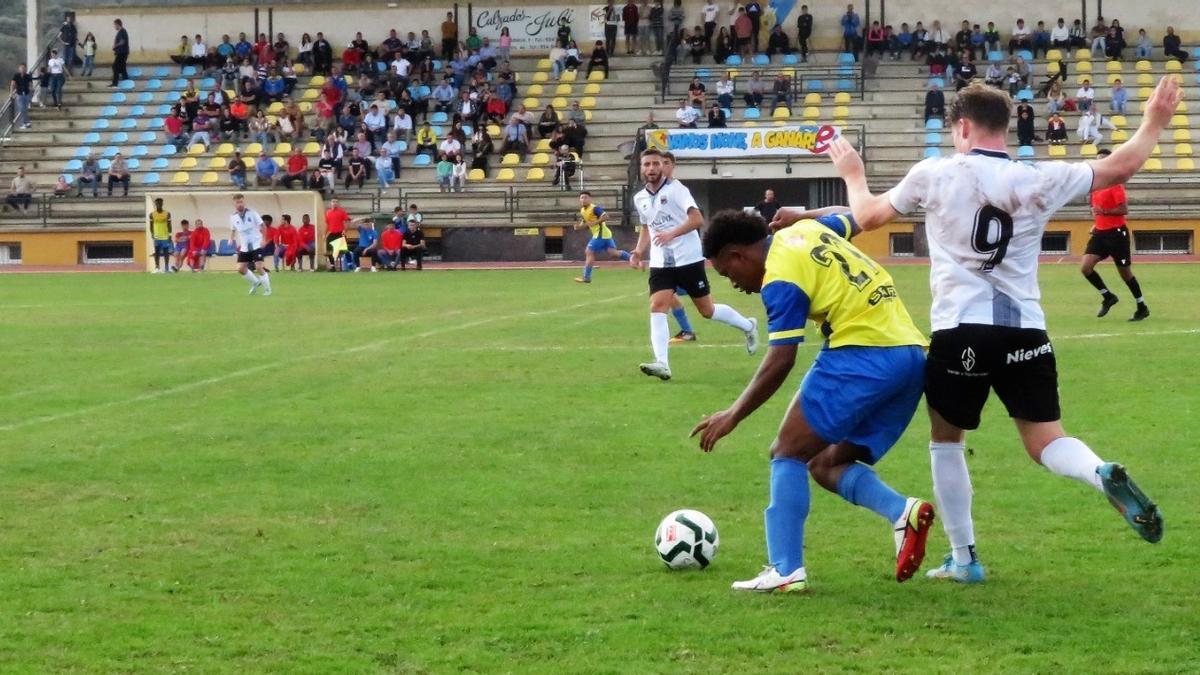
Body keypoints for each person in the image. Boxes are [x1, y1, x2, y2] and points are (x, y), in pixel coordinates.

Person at [824, 80, 1179, 582]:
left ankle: (964, 559)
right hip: (1025, 331)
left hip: (960, 330)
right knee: (1046, 441)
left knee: (946, 440)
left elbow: (866, 216)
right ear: (1004, 125)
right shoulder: (1039, 176)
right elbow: (1121, 166)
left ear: (963, 127)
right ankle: (1098, 472)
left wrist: (853, 174)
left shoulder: (936, 172)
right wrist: (1155, 122)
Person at [692, 207, 934, 593]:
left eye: (727, 273)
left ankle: (786, 569)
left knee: (787, 451)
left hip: (862, 353)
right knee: (824, 462)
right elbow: (859, 215)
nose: (733, 283)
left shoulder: (779, 278)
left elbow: (781, 358)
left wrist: (733, 415)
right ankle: (902, 512)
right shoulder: (808, 229)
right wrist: (804, 213)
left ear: (739, 255)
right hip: (910, 356)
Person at [630, 148, 758, 381]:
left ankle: (748, 326)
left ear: (663, 166)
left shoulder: (677, 190)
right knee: (657, 306)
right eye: (646, 164)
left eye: (655, 164)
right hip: (661, 263)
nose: (651, 168)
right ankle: (662, 363)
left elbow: (697, 219)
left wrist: (671, 234)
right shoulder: (639, 198)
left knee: (707, 311)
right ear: (641, 168)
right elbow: (648, 227)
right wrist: (639, 251)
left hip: (688, 258)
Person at [1082, 149, 1149, 321]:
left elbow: (1124, 209)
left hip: (1117, 234)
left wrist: (1103, 212)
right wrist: (1096, 223)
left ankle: (1141, 306)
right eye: (1098, 161)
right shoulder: (1096, 186)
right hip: (1100, 233)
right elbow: (1098, 212)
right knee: (1086, 268)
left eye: (1104, 160)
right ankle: (1108, 296)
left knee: (1125, 273)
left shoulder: (1115, 185)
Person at [573, 191, 632, 283]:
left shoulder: (595, 208)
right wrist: (579, 226)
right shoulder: (583, 210)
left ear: (590, 199)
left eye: (585, 197)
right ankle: (634, 259)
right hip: (605, 234)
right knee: (613, 253)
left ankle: (586, 277)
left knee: (589, 251)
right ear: (579, 200)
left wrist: (594, 223)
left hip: (600, 234)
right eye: (582, 198)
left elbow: (606, 217)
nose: (583, 199)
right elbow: (585, 221)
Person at [227, 195, 272, 294]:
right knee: (240, 268)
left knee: (258, 266)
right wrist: (230, 238)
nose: (240, 204)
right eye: (237, 202)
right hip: (244, 246)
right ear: (234, 204)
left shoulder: (252, 213)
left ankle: (267, 289)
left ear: (244, 202)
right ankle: (255, 282)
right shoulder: (233, 217)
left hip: (256, 243)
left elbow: (263, 226)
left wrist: (264, 239)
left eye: (241, 202)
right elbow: (233, 229)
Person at [147, 198, 173, 273]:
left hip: (165, 236)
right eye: (157, 203)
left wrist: (170, 234)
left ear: (162, 204)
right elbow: (151, 225)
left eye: (160, 203)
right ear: (155, 204)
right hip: (157, 236)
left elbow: (169, 225)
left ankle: (166, 267)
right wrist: (152, 233)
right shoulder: (152, 214)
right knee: (157, 252)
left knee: (166, 252)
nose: (159, 204)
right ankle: (157, 267)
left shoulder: (167, 214)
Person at [110, 19, 130, 87]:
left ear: (117, 24)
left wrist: (114, 46)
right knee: (122, 68)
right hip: (123, 52)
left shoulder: (122, 31)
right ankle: (127, 83)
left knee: (115, 67)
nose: (114, 27)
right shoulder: (122, 31)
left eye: (114, 25)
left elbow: (122, 42)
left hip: (122, 53)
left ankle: (115, 83)